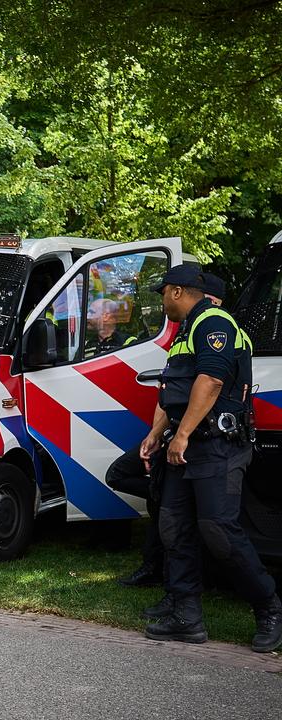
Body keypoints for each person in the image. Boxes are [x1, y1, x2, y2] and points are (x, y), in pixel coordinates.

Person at [140, 264, 281, 652]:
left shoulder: (213, 322)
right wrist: (156, 435)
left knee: (219, 532)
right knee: (175, 527)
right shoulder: (185, 332)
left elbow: (211, 381)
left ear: (178, 291)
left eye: (164, 292)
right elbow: (176, 392)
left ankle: (269, 606)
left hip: (217, 445)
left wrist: (181, 435)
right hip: (186, 445)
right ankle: (187, 616)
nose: (163, 300)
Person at [104, 446, 165, 590]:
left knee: (158, 506)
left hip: (183, 442)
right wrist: (154, 436)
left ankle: (152, 570)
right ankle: (152, 569)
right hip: (164, 438)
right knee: (116, 475)